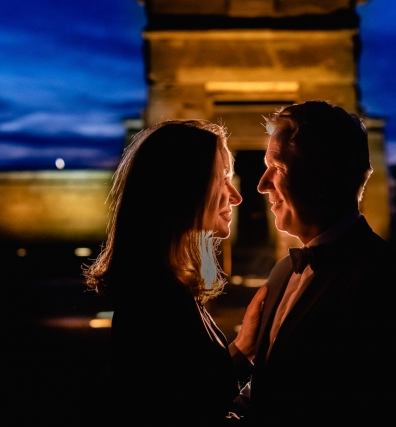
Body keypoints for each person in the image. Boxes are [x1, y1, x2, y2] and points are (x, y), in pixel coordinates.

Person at [240, 101, 396, 423]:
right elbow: (267, 390)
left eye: (278, 168)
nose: (262, 184)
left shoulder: (386, 279)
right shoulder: (283, 272)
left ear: (322, 178)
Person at [83, 120, 266, 422]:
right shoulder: (156, 302)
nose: (236, 196)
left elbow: (194, 383)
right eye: (223, 179)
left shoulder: (164, 287)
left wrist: (244, 347)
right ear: (185, 186)